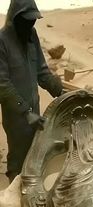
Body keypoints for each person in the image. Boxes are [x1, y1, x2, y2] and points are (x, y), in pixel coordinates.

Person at [0, 0, 64, 183]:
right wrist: (26, 112)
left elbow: (41, 71)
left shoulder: (31, 35)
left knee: (35, 157)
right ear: (15, 18)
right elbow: (3, 85)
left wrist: (57, 88)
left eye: (33, 20)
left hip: (34, 109)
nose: (30, 24)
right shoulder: (2, 41)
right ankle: (15, 200)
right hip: (16, 115)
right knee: (18, 161)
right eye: (26, 20)